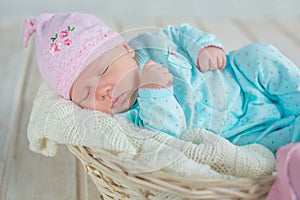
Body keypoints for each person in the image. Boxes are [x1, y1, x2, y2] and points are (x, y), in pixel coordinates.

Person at [23, 12, 300, 154]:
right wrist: (153, 92)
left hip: (239, 79)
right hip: (237, 131)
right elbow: (166, 134)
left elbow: (179, 33)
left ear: (125, 48)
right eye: (85, 95)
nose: (102, 90)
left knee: (260, 54)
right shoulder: (128, 120)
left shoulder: (151, 44)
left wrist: (204, 47)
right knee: (273, 147)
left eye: (104, 69)